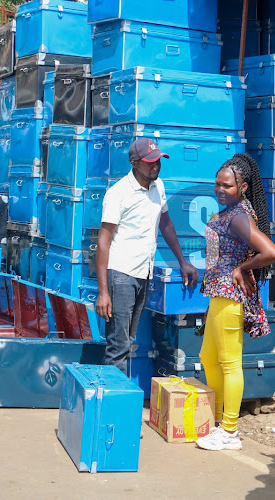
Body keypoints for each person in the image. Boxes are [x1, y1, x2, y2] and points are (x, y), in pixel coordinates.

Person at [195, 153, 275, 452]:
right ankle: (218, 420)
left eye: (227, 186)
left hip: (230, 297)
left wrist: (242, 269)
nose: (219, 190)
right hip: (218, 296)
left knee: (230, 364)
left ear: (243, 186)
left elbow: (271, 251)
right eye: (217, 184)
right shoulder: (231, 212)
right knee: (207, 357)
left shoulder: (239, 215)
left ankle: (229, 430)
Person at [96, 138, 199, 375]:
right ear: (134, 163)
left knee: (128, 340)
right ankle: (114, 405)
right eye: (150, 162)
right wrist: (103, 292)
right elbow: (103, 241)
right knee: (118, 346)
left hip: (144, 272)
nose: (156, 166)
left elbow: (166, 224)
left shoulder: (158, 186)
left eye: (158, 161)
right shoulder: (118, 193)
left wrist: (182, 262)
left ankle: (118, 396)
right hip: (121, 274)